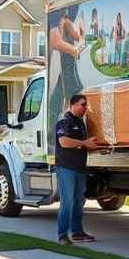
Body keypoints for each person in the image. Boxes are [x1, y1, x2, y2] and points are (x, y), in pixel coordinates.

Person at [55, 94, 99, 245]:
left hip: (80, 168)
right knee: (67, 202)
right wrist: (84, 142)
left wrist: (96, 148)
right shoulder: (64, 122)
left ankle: (77, 232)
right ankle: (62, 235)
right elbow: (63, 142)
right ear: (72, 105)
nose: (85, 108)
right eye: (83, 104)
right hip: (66, 168)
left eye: (86, 105)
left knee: (79, 201)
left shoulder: (81, 123)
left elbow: (83, 144)